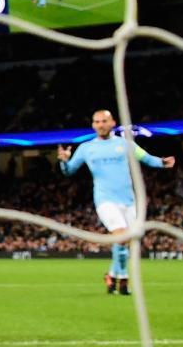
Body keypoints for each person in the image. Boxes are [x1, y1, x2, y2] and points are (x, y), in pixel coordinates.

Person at [56, 111, 174, 296]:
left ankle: (111, 276)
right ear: (93, 125)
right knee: (121, 236)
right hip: (105, 200)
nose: (100, 124)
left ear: (112, 123)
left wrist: (162, 162)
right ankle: (124, 281)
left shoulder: (125, 144)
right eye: (97, 122)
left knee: (126, 241)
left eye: (104, 121)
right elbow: (69, 171)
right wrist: (63, 162)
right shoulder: (86, 148)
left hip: (129, 200)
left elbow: (146, 157)